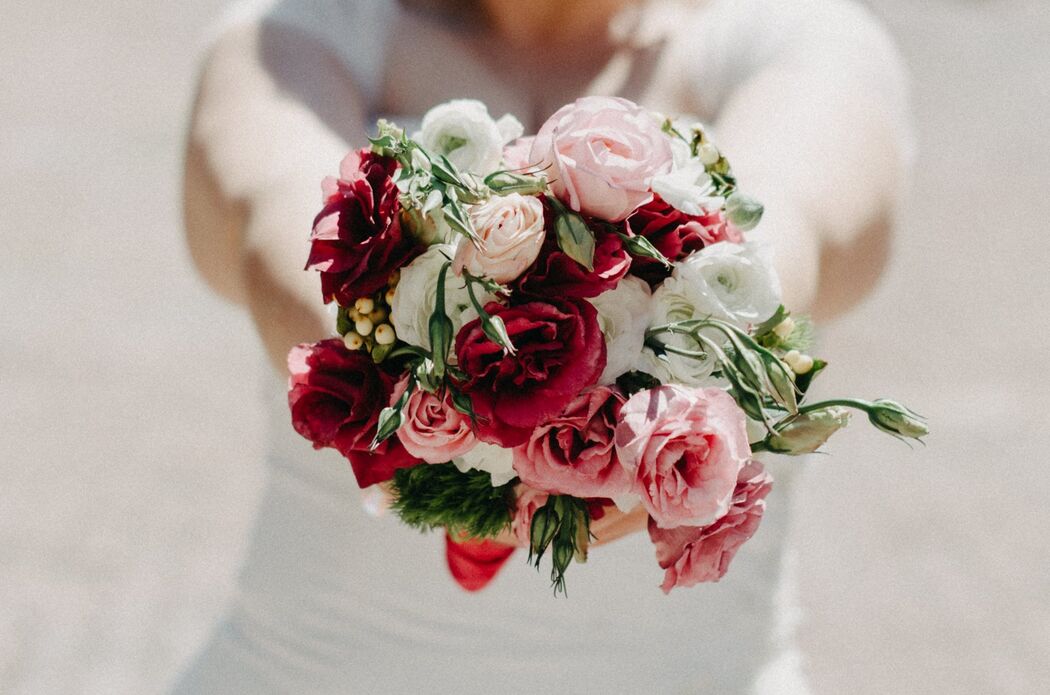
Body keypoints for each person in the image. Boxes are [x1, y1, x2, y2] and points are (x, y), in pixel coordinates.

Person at [176, 0, 911, 691]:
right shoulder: (307, 32)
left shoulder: (793, 37)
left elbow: (783, 239)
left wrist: (648, 427)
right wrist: (448, 407)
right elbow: (280, 233)